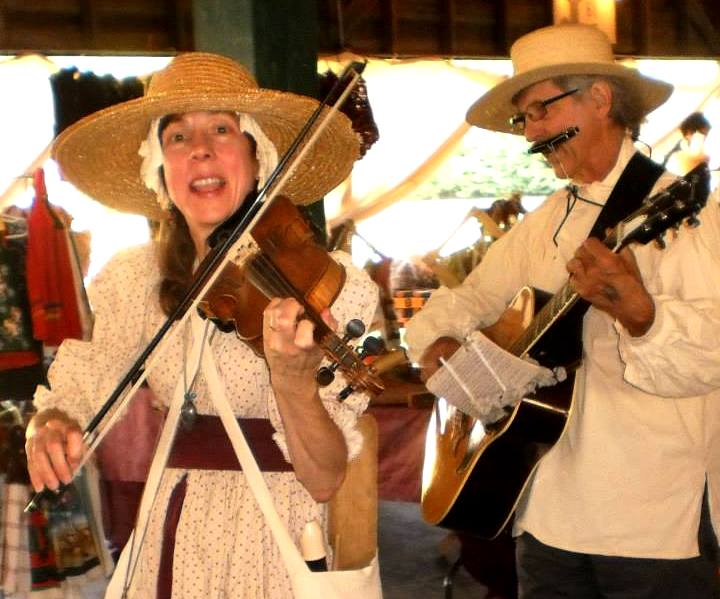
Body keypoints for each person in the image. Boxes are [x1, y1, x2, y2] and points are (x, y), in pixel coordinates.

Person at [24, 52, 379, 598]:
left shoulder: (332, 284)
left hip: (278, 531)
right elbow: (84, 380)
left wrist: (292, 382)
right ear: (160, 170)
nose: (202, 150)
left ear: (258, 157)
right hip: (174, 519)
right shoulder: (134, 277)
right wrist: (48, 421)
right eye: (178, 137)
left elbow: (326, 478)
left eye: (222, 129)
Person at [406, 23, 720, 599]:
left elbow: (711, 359)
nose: (532, 133)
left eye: (540, 112)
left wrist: (642, 314)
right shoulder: (549, 218)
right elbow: (469, 298)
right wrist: (437, 344)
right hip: (545, 508)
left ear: (599, 99)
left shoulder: (686, 219)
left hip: (652, 521)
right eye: (523, 120)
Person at [663, 111, 712, 175]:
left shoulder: (696, 149)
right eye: (702, 134)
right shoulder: (676, 154)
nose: (704, 138)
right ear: (689, 132)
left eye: (706, 135)